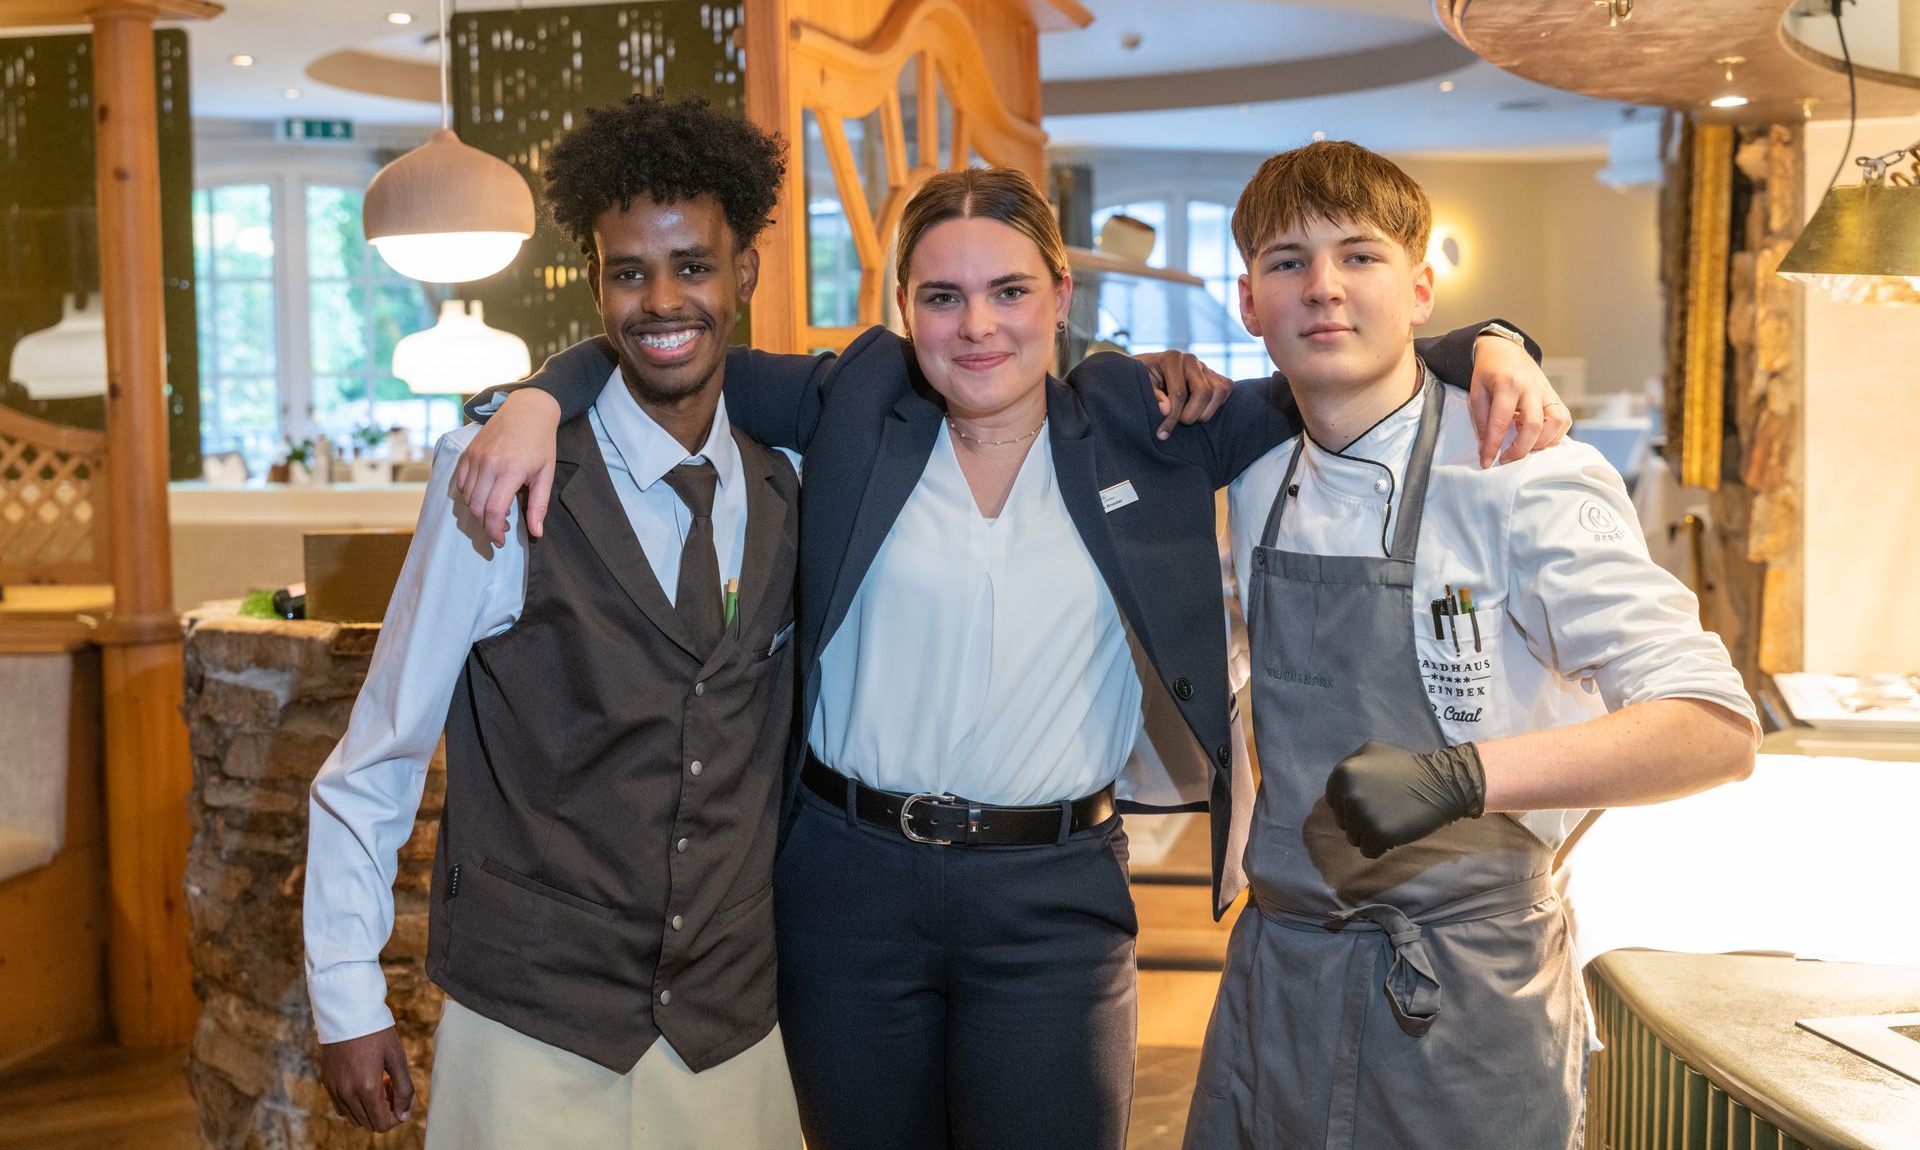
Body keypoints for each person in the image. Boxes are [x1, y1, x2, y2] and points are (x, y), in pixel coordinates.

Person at [454, 156, 1567, 1148]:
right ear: (901, 309)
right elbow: (666, 346)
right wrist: (538, 399)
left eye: (1008, 292)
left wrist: (1490, 345)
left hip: (1054, 901)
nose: (976, 326)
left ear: (1059, 299)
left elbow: (1337, 360)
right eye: (941, 297)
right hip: (847, 886)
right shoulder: (860, 398)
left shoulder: (1144, 418)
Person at [1183, 140, 1759, 1149]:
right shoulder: (1255, 464)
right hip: (1282, 979)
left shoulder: (1525, 470)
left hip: (1465, 995)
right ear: (1248, 303)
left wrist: (1458, 775)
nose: (1322, 289)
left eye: (1358, 257)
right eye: (1288, 263)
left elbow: (1713, 727)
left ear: (1421, 289)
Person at [302, 94, 805, 1149]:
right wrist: (347, 995)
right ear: (593, 281)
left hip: (733, 1029)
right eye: (629, 271)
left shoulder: (796, 479)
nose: (662, 299)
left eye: (694, 265)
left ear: (746, 271)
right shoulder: (490, 477)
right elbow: (380, 750)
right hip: (531, 1027)